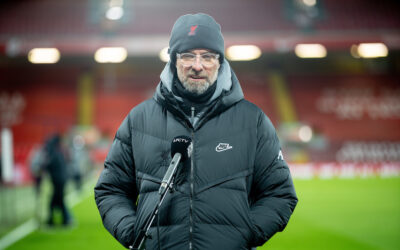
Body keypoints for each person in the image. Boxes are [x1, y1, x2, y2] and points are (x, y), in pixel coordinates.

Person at [95, 13, 298, 250]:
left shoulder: (252, 121)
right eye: (188, 55)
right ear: (173, 60)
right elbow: (111, 189)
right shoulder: (138, 120)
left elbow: (280, 193)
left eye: (208, 56)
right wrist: (133, 232)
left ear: (220, 61)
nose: (198, 66)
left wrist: (246, 234)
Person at [43, 134, 72, 226]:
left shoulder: (54, 154)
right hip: (60, 181)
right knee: (58, 201)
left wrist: (41, 168)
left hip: (58, 182)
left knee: (56, 202)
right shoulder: (59, 153)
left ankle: (65, 220)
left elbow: (48, 166)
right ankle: (64, 220)